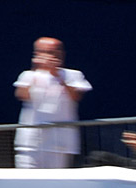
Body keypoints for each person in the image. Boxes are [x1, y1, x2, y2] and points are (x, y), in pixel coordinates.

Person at [13, 37, 92, 168]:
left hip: (59, 144)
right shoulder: (27, 75)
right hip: (30, 142)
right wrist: (35, 71)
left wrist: (58, 76)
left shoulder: (73, 75)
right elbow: (22, 95)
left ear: (61, 54)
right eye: (43, 52)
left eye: (52, 52)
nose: (48, 56)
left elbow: (76, 96)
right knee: (27, 183)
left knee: (55, 184)